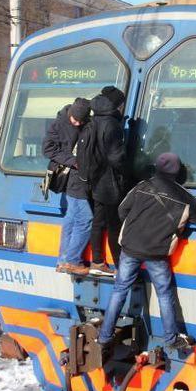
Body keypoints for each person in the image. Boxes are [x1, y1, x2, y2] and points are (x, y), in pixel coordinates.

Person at [98, 152, 196, 351]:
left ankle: (105, 337)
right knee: (164, 294)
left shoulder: (142, 186)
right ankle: (171, 339)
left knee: (119, 289)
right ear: (178, 172)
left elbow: (122, 210)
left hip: (130, 247)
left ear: (156, 168)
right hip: (156, 253)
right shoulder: (183, 196)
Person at [42, 97, 92, 276]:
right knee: (86, 219)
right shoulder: (58, 124)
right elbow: (47, 150)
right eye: (74, 120)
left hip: (78, 177)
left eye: (81, 121)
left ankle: (63, 260)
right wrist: (73, 162)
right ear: (70, 114)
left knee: (71, 219)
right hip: (69, 176)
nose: (77, 123)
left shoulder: (87, 122)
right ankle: (72, 260)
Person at [87, 86, 127, 276]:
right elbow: (116, 158)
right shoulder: (112, 124)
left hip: (94, 178)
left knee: (98, 220)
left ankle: (97, 260)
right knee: (114, 224)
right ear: (117, 105)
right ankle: (120, 265)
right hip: (110, 181)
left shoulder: (94, 119)